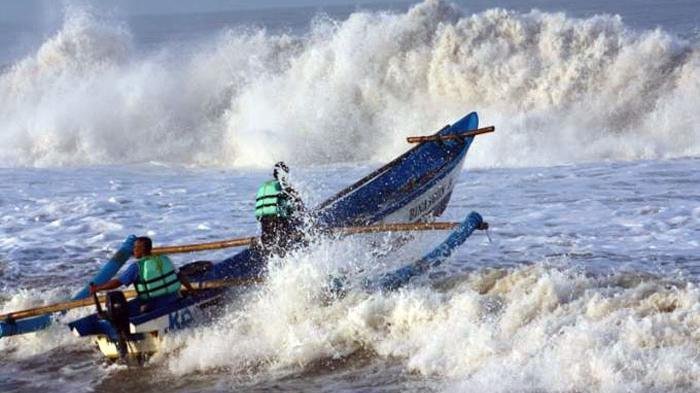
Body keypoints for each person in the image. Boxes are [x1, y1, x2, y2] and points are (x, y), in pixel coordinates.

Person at [90, 236, 191, 307]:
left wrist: (98, 288)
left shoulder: (137, 267)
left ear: (142, 249)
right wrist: (191, 291)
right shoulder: (165, 259)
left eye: (135, 247)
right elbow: (180, 276)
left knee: (128, 308)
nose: (133, 250)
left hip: (152, 303)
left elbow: (118, 283)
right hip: (174, 297)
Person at [254, 161, 306, 256]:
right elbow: (293, 207)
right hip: (277, 220)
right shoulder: (285, 186)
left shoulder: (264, 186)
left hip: (264, 222)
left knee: (269, 245)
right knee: (283, 245)